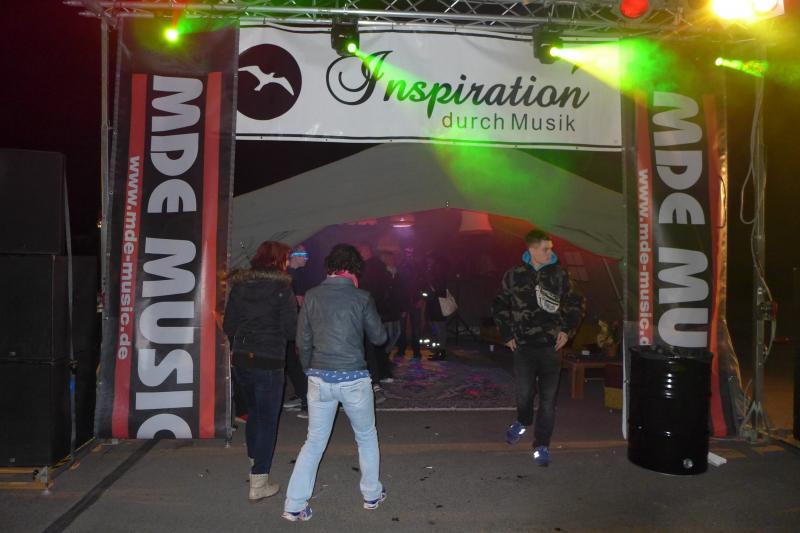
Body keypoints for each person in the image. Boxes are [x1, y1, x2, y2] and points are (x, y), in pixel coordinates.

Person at [282, 244, 388, 522]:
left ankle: (294, 504)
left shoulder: (312, 296)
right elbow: (379, 338)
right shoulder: (361, 297)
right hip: (353, 377)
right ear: (354, 269)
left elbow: (302, 340)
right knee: (365, 436)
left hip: (319, 376)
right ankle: (371, 495)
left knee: (314, 441)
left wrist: (309, 370)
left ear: (329, 266)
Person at [491, 230, 584, 467]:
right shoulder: (514, 275)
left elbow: (576, 302)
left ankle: (541, 445)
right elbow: (499, 304)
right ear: (532, 250)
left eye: (551, 247)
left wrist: (567, 330)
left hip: (551, 347)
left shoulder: (560, 274)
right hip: (523, 346)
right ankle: (523, 421)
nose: (551, 252)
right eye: (546, 248)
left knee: (548, 401)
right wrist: (507, 334)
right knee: (524, 394)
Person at [223, 240, 298, 501]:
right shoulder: (282, 288)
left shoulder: (240, 286)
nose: (288, 264)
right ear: (278, 260)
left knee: (254, 412)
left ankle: (255, 458)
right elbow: (290, 330)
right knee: (267, 418)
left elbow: (228, 326)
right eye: (286, 259)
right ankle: (259, 481)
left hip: (242, 358)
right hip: (269, 359)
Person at [285, 244, 311, 418]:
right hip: (292, 326)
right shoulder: (291, 275)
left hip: (295, 326)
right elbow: (299, 302)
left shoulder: (297, 275)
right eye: (303, 254)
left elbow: (301, 302)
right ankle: (302, 396)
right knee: (293, 363)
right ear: (293, 255)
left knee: (295, 363)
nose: (306, 258)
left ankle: (305, 399)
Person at [421, 252, 449, 360]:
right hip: (436, 303)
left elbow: (436, 288)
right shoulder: (436, 270)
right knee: (438, 328)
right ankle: (439, 351)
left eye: (429, 259)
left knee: (438, 328)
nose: (427, 261)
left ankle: (440, 351)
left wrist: (429, 290)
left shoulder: (436, 270)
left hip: (437, 304)